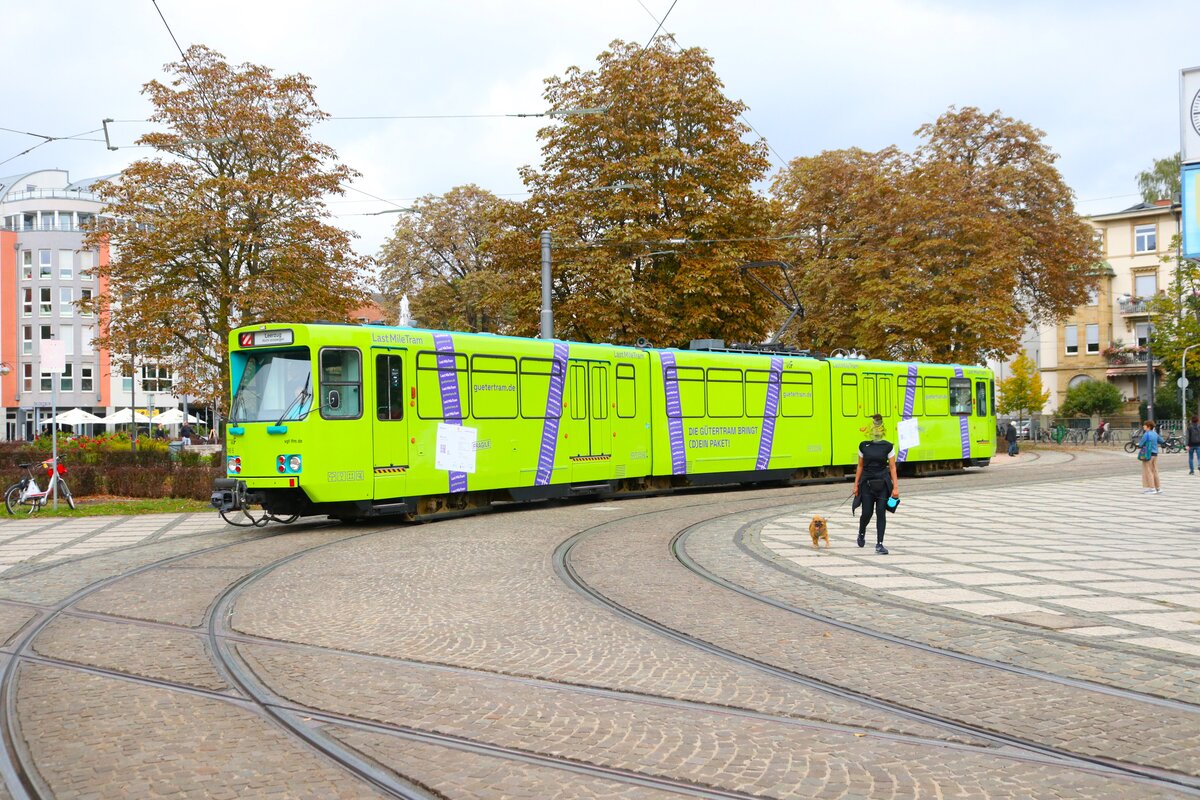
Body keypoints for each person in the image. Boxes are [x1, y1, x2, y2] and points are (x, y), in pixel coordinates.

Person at [854, 413, 900, 555]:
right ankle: (861, 532)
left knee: (881, 513)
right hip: (867, 484)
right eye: (874, 426)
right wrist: (856, 485)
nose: (876, 429)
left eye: (879, 426)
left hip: (883, 484)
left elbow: (892, 467)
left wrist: (896, 487)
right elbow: (860, 466)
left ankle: (879, 544)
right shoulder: (863, 445)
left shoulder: (888, 446)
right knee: (866, 513)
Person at [1138, 420, 1165, 494]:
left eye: (1145, 425)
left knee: (1148, 471)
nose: (1143, 426)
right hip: (1155, 454)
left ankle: (1151, 488)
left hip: (1148, 454)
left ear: (1148, 427)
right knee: (1155, 471)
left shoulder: (1146, 434)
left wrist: (1139, 445)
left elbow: (1141, 444)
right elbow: (1162, 441)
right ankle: (1158, 488)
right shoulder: (1155, 434)